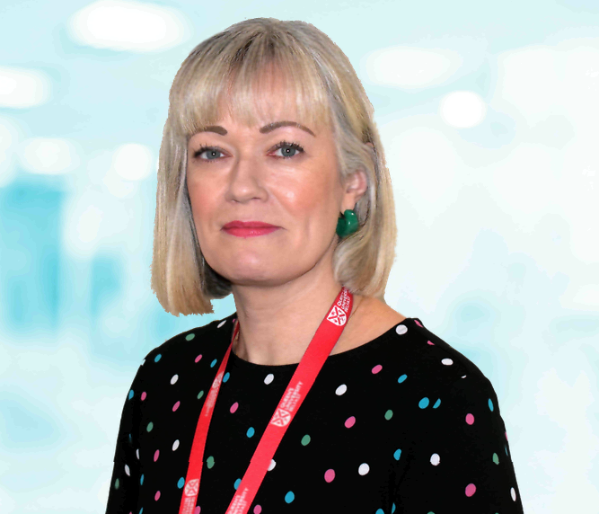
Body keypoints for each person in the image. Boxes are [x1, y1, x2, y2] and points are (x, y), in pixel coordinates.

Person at [105, 17, 525, 514]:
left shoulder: (437, 398)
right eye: (212, 152)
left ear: (353, 180)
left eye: (285, 149)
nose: (243, 186)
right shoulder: (164, 382)